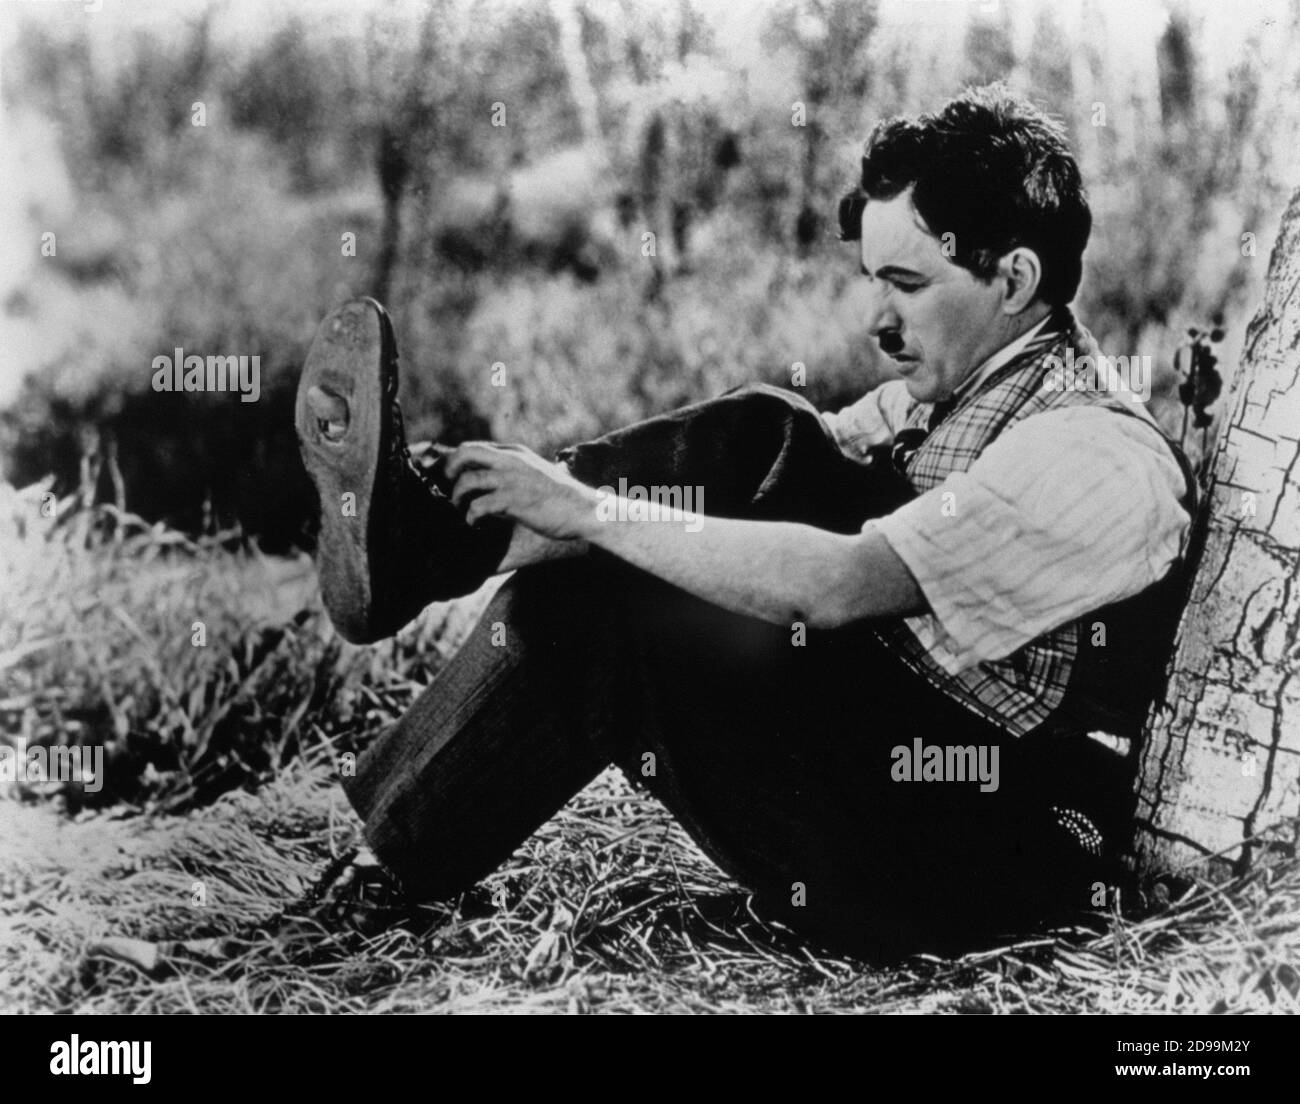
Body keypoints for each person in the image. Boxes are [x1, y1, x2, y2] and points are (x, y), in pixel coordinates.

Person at [292, 86, 1195, 955]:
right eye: (874, 281)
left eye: (908, 284)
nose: (878, 319)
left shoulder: (1096, 459)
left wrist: (589, 509)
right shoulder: (960, 393)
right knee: (759, 445)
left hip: (972, 848)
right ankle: (423, 560)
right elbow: (755, 486)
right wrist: (565, 515)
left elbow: (835, 585)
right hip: (889, 765)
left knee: (624, 590)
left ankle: (429, 556)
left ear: (1014, 278)